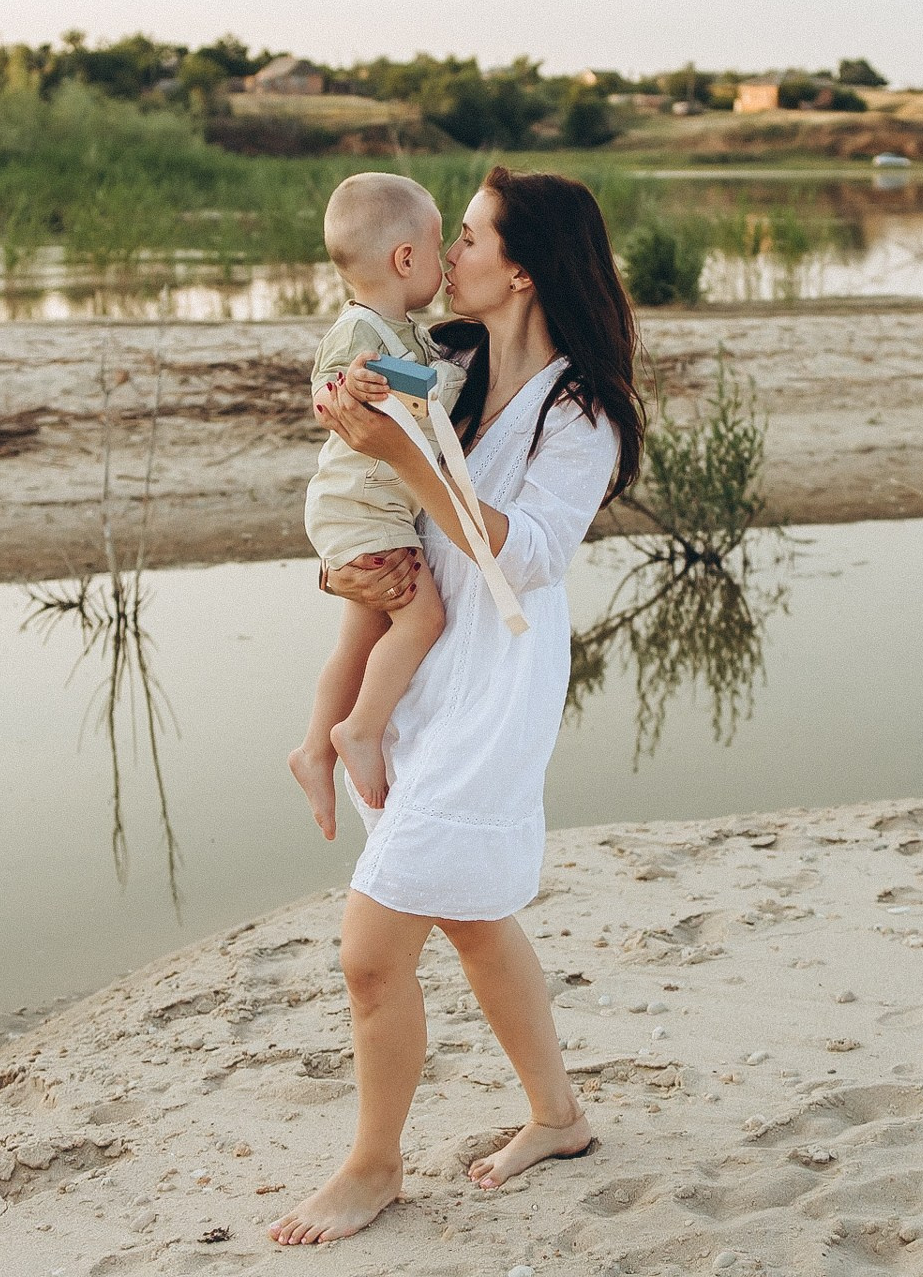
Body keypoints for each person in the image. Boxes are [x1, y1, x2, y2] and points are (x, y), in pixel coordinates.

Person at [267, 166, 645, 1246]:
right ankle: (559, 1116)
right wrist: (346, 419)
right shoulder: (451, 365)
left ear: (521, 271)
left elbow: (523, 554)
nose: (451, 254)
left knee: (370, 951)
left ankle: (373, 1166)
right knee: (474, 918)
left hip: (493, 686)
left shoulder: (582, 412)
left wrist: (401, 452)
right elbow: (379, 490)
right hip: (422, 668)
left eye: (470, 236)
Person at [288, 172, 465, 835]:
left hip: (375, 506)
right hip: (362, 506)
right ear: (405, 258)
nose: (446, 260)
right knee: (423, 620)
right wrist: (348, 387)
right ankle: (359, 730)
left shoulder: (406, 331)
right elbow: (327, 389)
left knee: (361, 637)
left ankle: (313, 750)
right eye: (440, 246)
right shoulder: (360, 329)